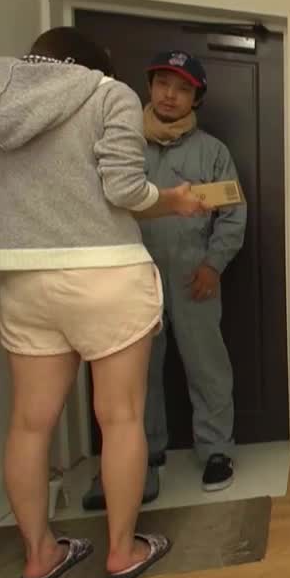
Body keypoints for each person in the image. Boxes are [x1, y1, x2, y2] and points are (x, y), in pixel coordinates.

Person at [0, 27, 208, 578]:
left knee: (29, 425)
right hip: (106, 273)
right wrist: (171, 200)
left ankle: (39, 555)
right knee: (120, 417)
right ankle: (122, 551)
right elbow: (124, 190)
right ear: (91, 65)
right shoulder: (106, 92)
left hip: (23, 280)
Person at [83, 50, 246, 510]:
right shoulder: (121, 143)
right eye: (162, 84)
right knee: (136, 372)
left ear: (196, 98)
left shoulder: (213, 153)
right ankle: (144, 457)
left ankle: (216, 451)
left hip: (194, 276)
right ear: (149, 87)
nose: (170, 95)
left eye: (182, 88)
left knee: (207, 364)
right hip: (133, 277)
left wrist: (213, 264)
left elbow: (233, 216)